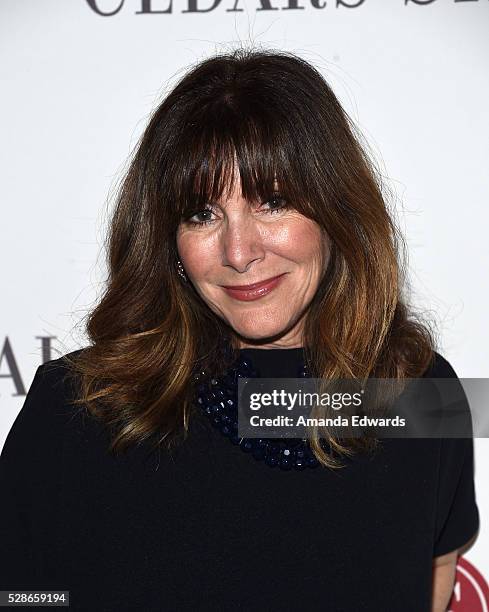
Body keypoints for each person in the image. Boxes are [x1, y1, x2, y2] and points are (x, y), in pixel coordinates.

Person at [0, 47, 479, 612]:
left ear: (336, 212)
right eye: (202, 214)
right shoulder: (80, 405)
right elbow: (21, 594)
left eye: (273, 202)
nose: (238, 251)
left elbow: (432, 572)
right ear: (167, 242)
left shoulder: (419, 395)